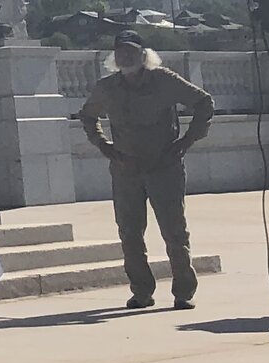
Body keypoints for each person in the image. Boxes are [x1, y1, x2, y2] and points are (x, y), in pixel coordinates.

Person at [77, 30, 215, 311]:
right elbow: (88, 115)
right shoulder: (107, 87)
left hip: (164, 166)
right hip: (125, 168)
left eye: (131, 51)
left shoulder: (164, 80)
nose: (126, 56)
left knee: (174, 230)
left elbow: (204, 102)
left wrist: (188, 140)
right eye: (120, 52)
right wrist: (105, 147)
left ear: (144, 55)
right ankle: (141, 291)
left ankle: (183, 291)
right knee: (129, 232)